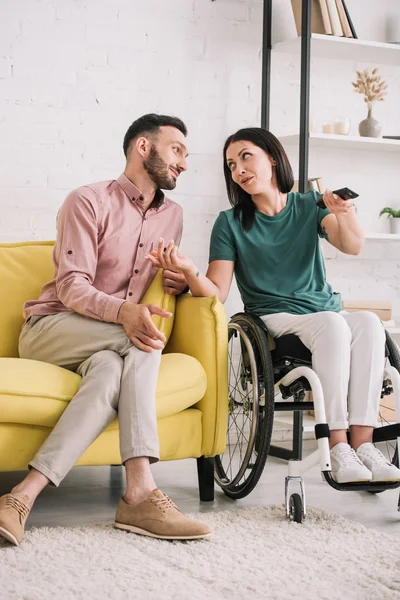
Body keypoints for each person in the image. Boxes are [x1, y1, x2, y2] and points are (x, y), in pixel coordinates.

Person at [0, 113, 211, 546]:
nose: (184, 164)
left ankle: (21, 496)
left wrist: (174, 279)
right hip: (51, 328)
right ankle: (140, 491)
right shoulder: (88, 200)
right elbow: (71, 286)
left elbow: (159, 279)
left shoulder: (173, 216)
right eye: (177, 150)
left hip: (103, 344)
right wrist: (125, 313)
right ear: (143, 147)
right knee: (147, 339)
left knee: (110, 375)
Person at [147, 126, 400, 485]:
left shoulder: (308, 205)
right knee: (332, 324)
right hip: (275, 318)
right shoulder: (231, 223)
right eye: (231, 164)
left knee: (371, 324)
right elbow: (216, 293)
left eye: (245, 157)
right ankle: (338, 443)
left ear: (272, 157)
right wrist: (189, 272)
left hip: (325, 311)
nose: (238, 169)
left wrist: (344, 212)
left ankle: (364, 444)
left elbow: (353, 245)